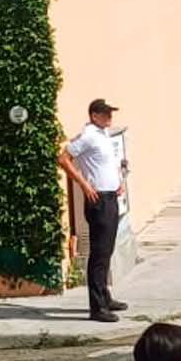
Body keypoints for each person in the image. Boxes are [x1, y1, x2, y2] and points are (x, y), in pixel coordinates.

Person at [59, 98, 128, 323]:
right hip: (98, 199)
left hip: (110, 196)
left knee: (106, 249)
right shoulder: (88, 136)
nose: (110, 117)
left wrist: (117, 180)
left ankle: (105, 297)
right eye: (106, 114)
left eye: (110, 114)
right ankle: (97, 307)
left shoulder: (103, 135)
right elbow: (64, 158)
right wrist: (84, 184)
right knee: (98, 253)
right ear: (94, 115)